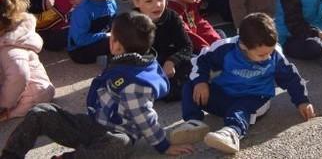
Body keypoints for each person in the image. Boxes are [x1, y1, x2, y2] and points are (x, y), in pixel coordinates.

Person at [1, 11, 193, 158]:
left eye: (111, 36)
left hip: (116, 133)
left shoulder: (135, 83)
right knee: (40, 112)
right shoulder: (128, 60)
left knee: (119, 145)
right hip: (93, 122)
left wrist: (163, 145)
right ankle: (10, 155)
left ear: (116, 45)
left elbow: (145, 118)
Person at [170, 13, 314, 155]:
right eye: (262, 55)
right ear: (244, 45)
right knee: (191, 85)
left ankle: (232, 133)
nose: (267, 57)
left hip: (255, 98)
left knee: (239, 109)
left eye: (269, 53)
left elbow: (291, 77)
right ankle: (194, 122)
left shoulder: (275, 55)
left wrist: (302, 101)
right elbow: (201, 60)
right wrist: (201, 82)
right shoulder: (226, 48)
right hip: (224, 94)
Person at [119, 0, 193, 102]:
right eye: (149, 1)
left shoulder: (172, 17)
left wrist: (172, 61)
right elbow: (127, 57)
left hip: (168, 63)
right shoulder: (131, 22)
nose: (157, 5)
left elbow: (186, 46)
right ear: (136, 1)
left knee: (194, 64)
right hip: (144, 65)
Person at [0, 0, 55, 119]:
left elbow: (19, 75)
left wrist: (3, 103)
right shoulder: (10, 34)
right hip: (21, 87)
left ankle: (8, 113)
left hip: (33, 96)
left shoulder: (10, 50)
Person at [67, 0, 117, 64]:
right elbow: (80, 40)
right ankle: (112, 61)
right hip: (80, 51)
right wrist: (105, 35)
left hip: (103, 37)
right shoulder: (83, 11)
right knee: (113, 41)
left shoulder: (111, 2)